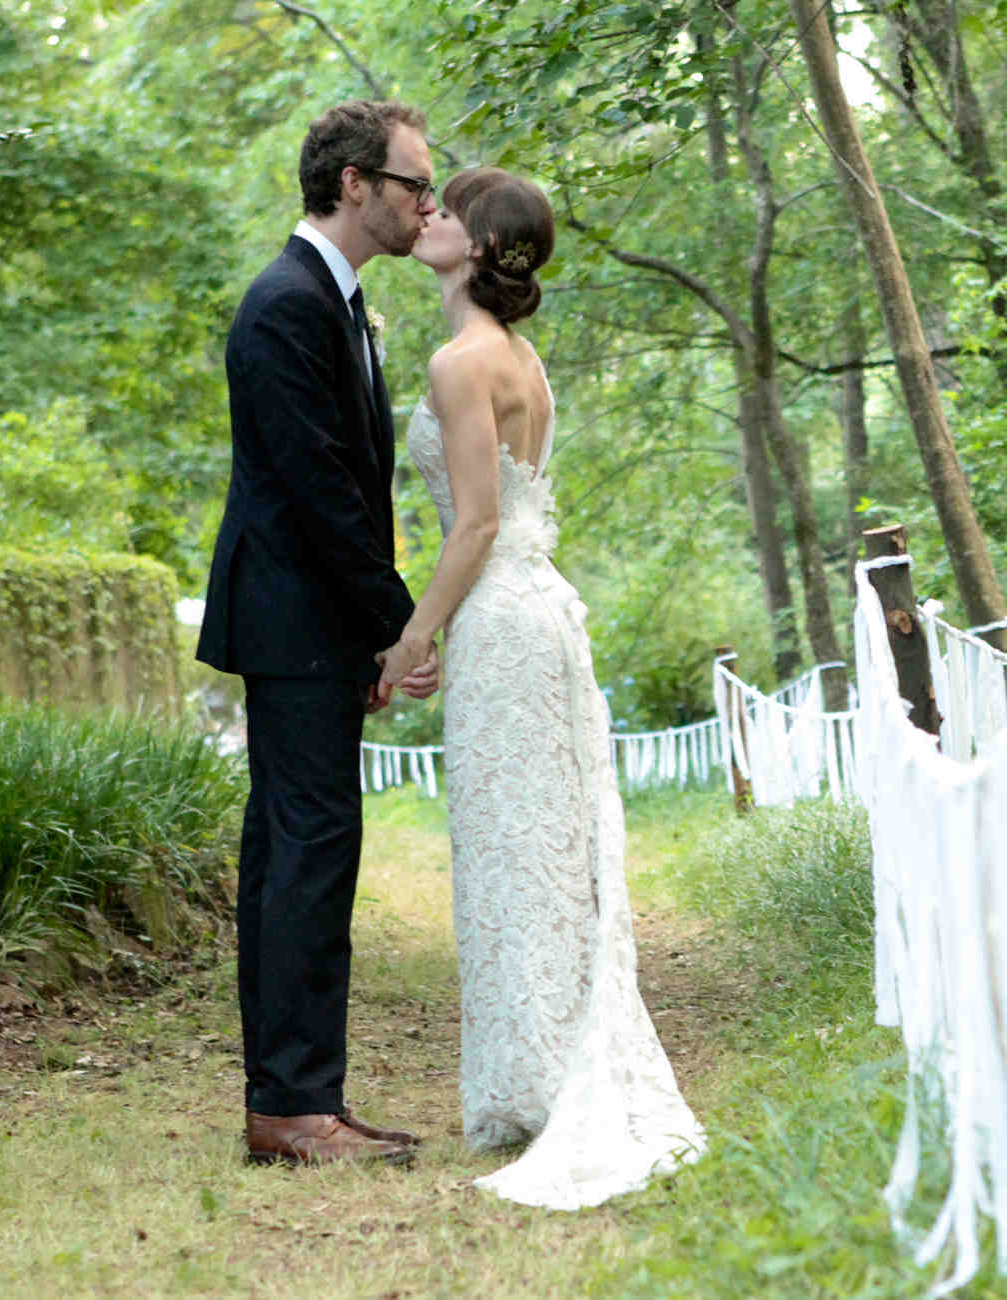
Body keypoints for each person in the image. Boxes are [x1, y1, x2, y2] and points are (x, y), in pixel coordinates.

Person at [376, 167, 706, 1208]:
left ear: (477, 244)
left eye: (444, 209)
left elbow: (474, 522)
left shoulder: (458, 360)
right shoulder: (520, 356)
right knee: (530, 844)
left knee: (518, 844)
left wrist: (408, 638)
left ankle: (540, 1080)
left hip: (502, 620)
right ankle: (533, 1074)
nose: (425, 217)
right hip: (536, 610)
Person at [196, 100, 440, 1168]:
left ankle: (292, 1099)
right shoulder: (285, 306)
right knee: (308, 854)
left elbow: (349, 489)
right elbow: (318, 493)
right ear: (353, 182)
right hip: (291, 617)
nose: (424, 202)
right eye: (411, 184)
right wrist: (400, 627)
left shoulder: (336, 305)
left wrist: (370, 637)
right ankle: (294, 1107)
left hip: (312, 624)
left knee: (294, 852)